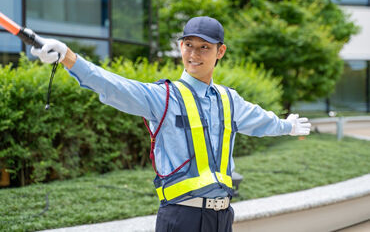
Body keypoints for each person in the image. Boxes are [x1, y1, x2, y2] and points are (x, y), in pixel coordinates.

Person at [31, 16, 311, 232]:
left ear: (220, 51)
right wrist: (69, 58)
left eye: (204, 47)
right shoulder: (162, 97)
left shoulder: (229, 99)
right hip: (180, 218)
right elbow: (113, 86)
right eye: (189, 45)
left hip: (223, 217)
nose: (194, 54)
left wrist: (288, 126)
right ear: (180, 47)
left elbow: (261, 121)